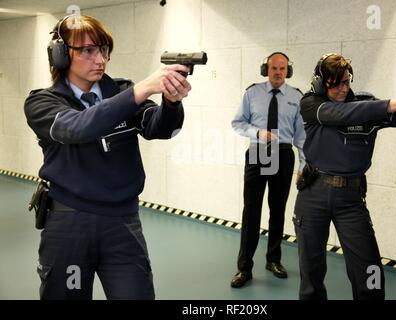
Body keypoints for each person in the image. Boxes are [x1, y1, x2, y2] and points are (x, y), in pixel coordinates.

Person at [24, 14, 191, 300]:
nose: (100, 59)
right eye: (88, 50)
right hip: (69, 226)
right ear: (61, 55)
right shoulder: (42, 101)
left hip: (122, 224)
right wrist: (140, 91)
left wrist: (171, 103)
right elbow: (76, 127)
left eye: (103, 50)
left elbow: (160, 128)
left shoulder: (122, 92)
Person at [293, 53, 396, 300]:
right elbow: (338, 114)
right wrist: (388, 104)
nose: (343, 88)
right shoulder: (311, 104)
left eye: (346, 81)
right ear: (322, 83)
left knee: (370, 269)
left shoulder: (366, 104)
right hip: (313, 193)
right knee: (310, 271)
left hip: (350, 199)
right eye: (335, 84)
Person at [230, 52, 306, 288]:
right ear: (266, 69)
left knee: (278, 209)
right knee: (251, 210)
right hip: (258, 151)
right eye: (274, 68)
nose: (278, 72)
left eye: (283, 68)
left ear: (288, 71)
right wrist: (257, 133)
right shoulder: (252, 93)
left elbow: (301, 136)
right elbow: (238, 122)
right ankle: (244, 267)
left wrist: (303, 165)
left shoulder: (296, 97)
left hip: (283, 154)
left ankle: (273, 260)